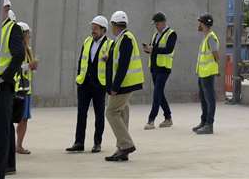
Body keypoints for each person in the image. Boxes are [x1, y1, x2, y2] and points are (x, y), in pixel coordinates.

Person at [0, 0, 25, 179]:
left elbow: (19, 55)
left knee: (1, 132)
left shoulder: (13, 28)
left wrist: (5, 77)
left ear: (5, 8)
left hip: (3, 87)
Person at [101, 10, 143, 162]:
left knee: (111, 112)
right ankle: (122, 150)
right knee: (122, 113)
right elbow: (119, 58)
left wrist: (115, 86)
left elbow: (124, 65)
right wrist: (109, 57)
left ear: (114, 25)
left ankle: (126, 144)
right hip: (127, 83)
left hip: (125, 84)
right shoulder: (121, 39)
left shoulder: (125, 39)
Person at [66, 15, 109, 153]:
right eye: (92, 28)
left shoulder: (110, 45)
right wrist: (79, 77)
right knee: (81, 114)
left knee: (99, 115)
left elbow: (114, 64)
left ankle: (97, 143)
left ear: (103, 30)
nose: (93, 31)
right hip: (84, 84)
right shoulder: (87, 41)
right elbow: (81, 61)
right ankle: (79, 142)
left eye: (96, 29)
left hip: (99, 84)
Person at [142, 12, 176, 130]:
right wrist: (148, 49)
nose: (156, 26)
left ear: (163, 22)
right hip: (154, 68)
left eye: (157, 23)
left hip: (164, 68)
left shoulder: (172, 34)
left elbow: (168, 49)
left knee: (157, 94)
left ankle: (151, 120)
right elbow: (154, 49)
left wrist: (153, 49)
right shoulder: (155, 35)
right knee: (159, 93)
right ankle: (168, 117)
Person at [192, 14, 218, 136]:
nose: (199, 25)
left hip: (208, 73)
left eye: (200, 23)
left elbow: (216, 54)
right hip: (203, 73)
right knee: (203, 99)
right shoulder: (206, 37)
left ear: (204, 24)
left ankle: (209, 125)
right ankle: (204, 122)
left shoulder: (211, 38)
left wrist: (215, 68)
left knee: (209, 99)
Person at [14, 22, 36, 155]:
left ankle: (19, 145)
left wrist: (32, 66)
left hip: (26, 89)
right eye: (28, 34)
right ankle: (13, 145)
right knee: (13, 118)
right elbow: (16, 67)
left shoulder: (28, 49)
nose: (29, 37)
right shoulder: (15, 49)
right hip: (16, 89)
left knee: (24, 119)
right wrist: (29, 66)